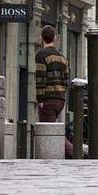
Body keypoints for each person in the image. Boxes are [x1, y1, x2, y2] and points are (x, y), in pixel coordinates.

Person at [34, 25, 72, 157]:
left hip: (48, 98)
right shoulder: (62, 58)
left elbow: (40, 78)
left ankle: (74, 152)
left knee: (49, 130)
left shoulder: (41, 55)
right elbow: (66, 80)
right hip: (60, 99)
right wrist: (62, 95)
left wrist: (40, 99)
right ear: (54, 38)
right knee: (52, 128)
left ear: (41, 39)